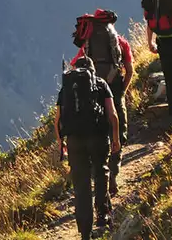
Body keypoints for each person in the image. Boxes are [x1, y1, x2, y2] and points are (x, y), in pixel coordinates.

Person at [54, 56, 121, 240]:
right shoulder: (100, 84)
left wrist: (61, 142)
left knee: (81, 185)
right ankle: (102, 213)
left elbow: (58, 119)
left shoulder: (66, 88)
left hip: (74, 139)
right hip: (97, 136)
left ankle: (85, 232)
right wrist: (115, 138)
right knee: (100, 171)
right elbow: (113, 115)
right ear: (92, 69)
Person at [70, 9, 134, 197]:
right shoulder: (121, 42)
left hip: (93, 92)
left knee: (98, 131)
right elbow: (129, 70)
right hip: (114, 88)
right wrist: (122, 89)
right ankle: (113, 174)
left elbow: (75, 66)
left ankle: (99, 172)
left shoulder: (87, 45)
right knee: (118, 128)